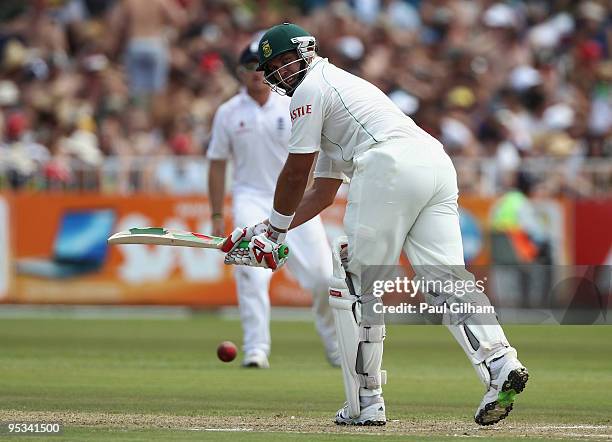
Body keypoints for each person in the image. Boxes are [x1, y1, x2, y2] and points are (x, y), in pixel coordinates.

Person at [221, 23, 529, 426]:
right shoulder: (338, 89)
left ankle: (365, 403)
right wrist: (266, 229)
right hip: (433, 163)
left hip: (389, 165)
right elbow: (322, 192)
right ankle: (501, 363)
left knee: (353, 279)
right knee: (446, 280)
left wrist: (276, 233)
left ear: (305, 51)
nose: (279, 71)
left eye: (283, 60)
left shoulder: (310, 91)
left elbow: (296, 173)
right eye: (272, 66)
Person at [207, 39, 339, 369]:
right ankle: (256, 349)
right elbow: (217, 162)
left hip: (296, 202)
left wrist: (311, 194)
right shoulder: (228, 112)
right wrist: (215, 214)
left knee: (324, 278)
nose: (256, 74)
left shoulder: (292, 104)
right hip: (251, 198)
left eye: (260, 67)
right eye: (249, 67)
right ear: (240, 72)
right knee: (251, 275)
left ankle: (337, 349)